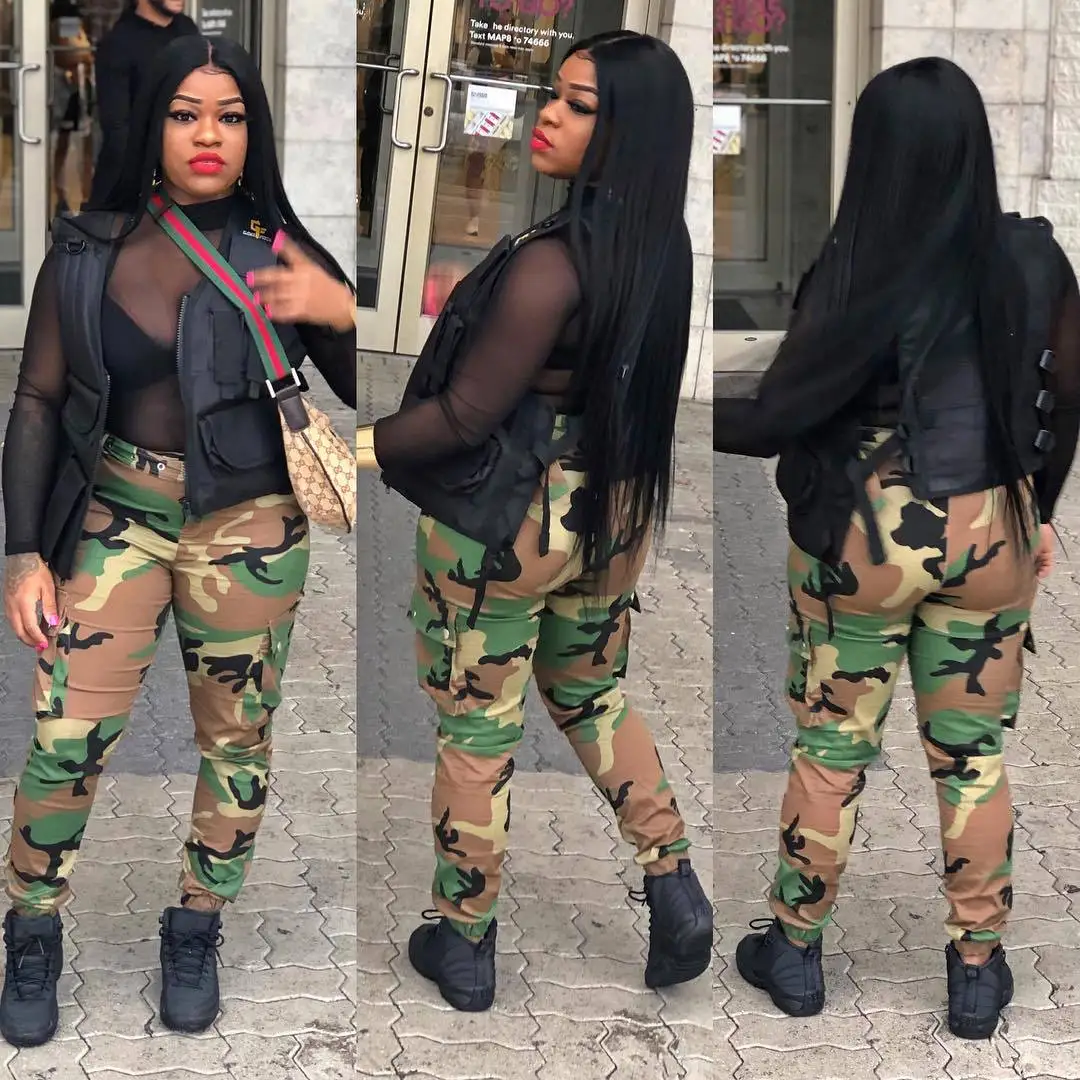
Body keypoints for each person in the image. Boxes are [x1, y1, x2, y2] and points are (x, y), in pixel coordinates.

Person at [713, 57, 1080, 1041]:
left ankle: (795, 952)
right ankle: (976, 970)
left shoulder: (855, 264)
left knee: (833, 747)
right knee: (972, 757)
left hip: (865, 536)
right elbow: (1065, 399)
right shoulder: (1035, 259)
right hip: (993, 523)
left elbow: (783, 412)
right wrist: (1039, 510)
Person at [0, 34, 356, 1047]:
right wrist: (24, 553)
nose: (210, 134)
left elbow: (378, 399)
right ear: (149, 124)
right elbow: (37, 399)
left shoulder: (280, 249)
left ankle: (197, 926)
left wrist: (341, 311)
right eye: (186, 113)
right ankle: (32, 926)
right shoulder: (87, 250)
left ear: (254, 131)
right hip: (114, 517)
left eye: (231, 116)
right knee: (65, 736)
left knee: (236, 740)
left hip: (251, 526)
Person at [356, 30, 713, 1012]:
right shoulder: (663, 247)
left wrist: (352, 450)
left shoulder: (551, 266)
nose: (545, 116)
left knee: (479, 729)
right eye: (551, 95)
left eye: (578, 104)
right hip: (615, 514)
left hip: (509, 526)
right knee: (595, 697)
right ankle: (674, 880)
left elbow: (463, 416)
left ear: (630, 129)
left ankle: (464, 942)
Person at [87, 0, 198, 210]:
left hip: (184, 172)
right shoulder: (118, 43)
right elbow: (117, 129)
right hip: (132, 185)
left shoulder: (187, 29)